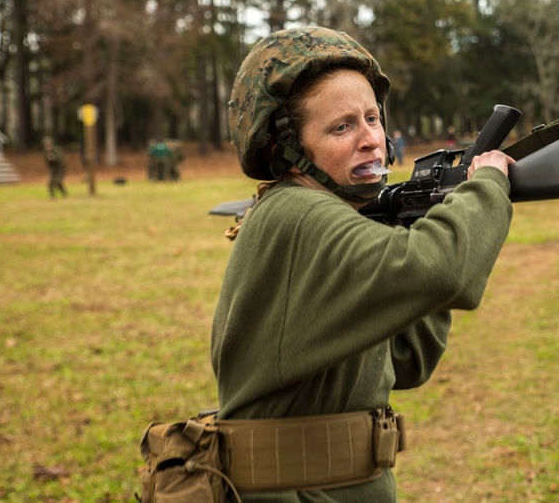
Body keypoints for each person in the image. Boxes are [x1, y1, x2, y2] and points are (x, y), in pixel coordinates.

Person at [211, 25, 514, 501]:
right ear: (285, 149)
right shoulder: (298, 214)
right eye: (342, 127)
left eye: (373, 119)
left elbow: (408, 359)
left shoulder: (329, 216)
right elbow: (442, 268)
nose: (371, 139)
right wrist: (486, 186)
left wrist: (413, 221)